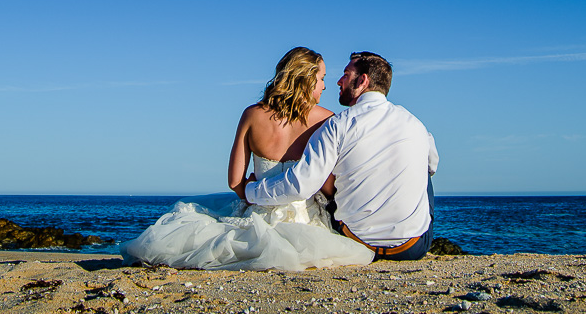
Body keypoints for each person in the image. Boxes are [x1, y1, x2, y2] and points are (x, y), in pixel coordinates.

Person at [119, 47, 374, 270]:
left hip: (258, 214)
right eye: (321, 78)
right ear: (306, 80)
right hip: (305, 220)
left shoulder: (252, 115)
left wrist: (252, 192)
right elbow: (329, 185)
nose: (325, 86)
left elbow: (234, 181)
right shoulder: (327, 120)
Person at [245, 51, 438, 260]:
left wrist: (252, 191)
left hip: (356, 241)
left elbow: (301, 184)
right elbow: (433, 166)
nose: (339, 81)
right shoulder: (416, 125)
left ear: (363, 80)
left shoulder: (338, 125)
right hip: (411, 248)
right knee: (424, 166)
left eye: (346, 74)